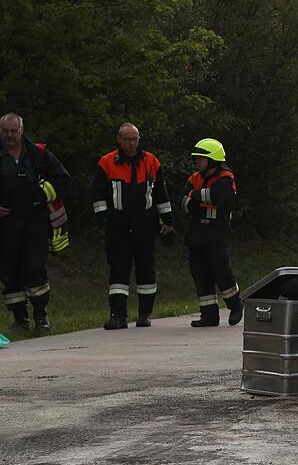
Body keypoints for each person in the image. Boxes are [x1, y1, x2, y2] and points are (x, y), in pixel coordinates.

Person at [91, 123, 174, 329]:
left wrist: (168, 221)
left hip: (145, 224)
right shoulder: (107, 162)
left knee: (146, 268)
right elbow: (97, 194)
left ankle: (145, 314)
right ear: (119, 139)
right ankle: (118, 315)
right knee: (118, 269)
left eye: (135, 138)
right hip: (117, 225)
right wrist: (104, 218)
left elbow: (161, 195)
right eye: (127, 139)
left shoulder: (151, 161)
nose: (131, 143)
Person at [0, 112, 71, 333]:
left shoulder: (38, 153)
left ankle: (41, 315)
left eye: (14, 130)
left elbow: (63, 180)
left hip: (34, 221)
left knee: (34, 267)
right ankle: (20, 318)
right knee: (8, 271)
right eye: (6, 131)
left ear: (22, 130)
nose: (10, 135)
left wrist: (40, 194)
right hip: (6, 223)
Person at [181, 138, 242, 327]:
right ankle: (209, 315)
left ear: (212, 159)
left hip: (216, 234)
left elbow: (218, 198)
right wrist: (197, 197)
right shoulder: (195, 177)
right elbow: (184, 202)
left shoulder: (226, 177)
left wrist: (196, 196)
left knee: (220, 270)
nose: (197, 162)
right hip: (196, 234)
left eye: (200, 158)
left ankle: (235, 305)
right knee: (200, 273)